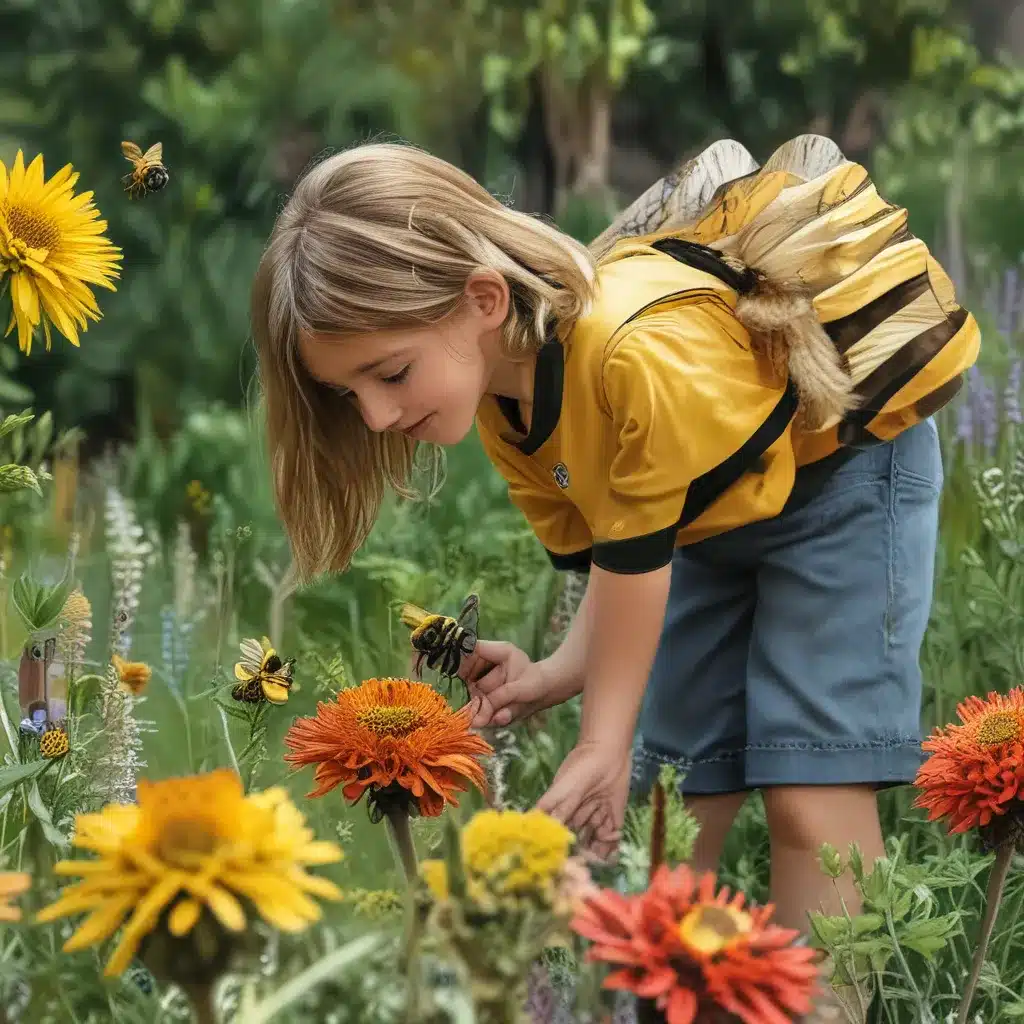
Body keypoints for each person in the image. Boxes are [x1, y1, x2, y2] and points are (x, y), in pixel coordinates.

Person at [250, 137, 979, 948]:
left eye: (389, 375)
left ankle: (824, 1005)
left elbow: (638, 557)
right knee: (671, 793)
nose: (379, 417)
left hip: (841, 479)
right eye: (350, 395)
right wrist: (564, 672)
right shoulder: (507, 407)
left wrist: (602, 741)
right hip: (707, 518)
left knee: (810, 792)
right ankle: (660, 988)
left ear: (483, 300)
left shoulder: (627, 351)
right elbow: (619, 553)